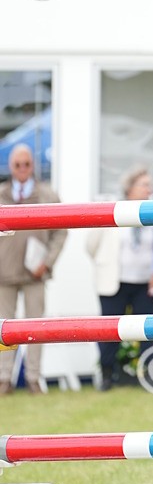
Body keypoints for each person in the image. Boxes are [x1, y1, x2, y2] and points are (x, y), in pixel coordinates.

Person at [0, 144, 67, 394]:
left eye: (26, 164)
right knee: (3, 330)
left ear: (33, 166)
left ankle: (34, 378)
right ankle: (3, 379)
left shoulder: (48, 194)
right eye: (18, 165)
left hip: (35, 273)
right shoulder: (1, 194)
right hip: (3, 274)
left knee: (36, 329)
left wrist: (47, 262)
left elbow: (61, 231)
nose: (22, 169)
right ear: (10, 166)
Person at [85, 167, 153, 390]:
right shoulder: (112, 210)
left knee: (149, 331)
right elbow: (91, 244)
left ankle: (150, 375)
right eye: (144, 185)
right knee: (109, 331)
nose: (149, 189)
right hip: (114, 282)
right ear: (130, 188)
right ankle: (107, 374)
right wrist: (103, 264)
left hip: (145, 283)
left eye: (149, 185)